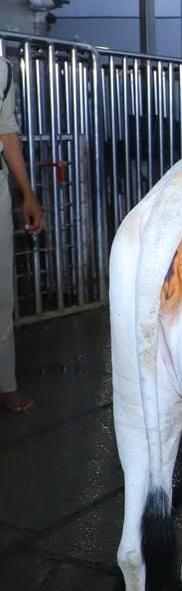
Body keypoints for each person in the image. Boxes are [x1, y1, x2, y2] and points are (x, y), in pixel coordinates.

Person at [0, 58, 44, 412]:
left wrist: (27, 193)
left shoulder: (2, 71)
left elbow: (7, 132)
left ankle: (5, 383)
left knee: (2, 293)